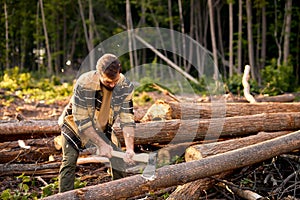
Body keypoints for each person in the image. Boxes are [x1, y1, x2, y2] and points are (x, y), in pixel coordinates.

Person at [58, 53, 136, 193]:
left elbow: (127, 118)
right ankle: (64, 196)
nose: (112, 84)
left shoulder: (125, 86)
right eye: (108, 82)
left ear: (120, 72)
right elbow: (82, 121)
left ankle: (120, 194)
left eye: (115, 80)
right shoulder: (84, 83)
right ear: (99, 74)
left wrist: (130, 148)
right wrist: (101, 144)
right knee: (69, 161)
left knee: (118, 159)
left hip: (102, 125)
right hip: (75, 123)